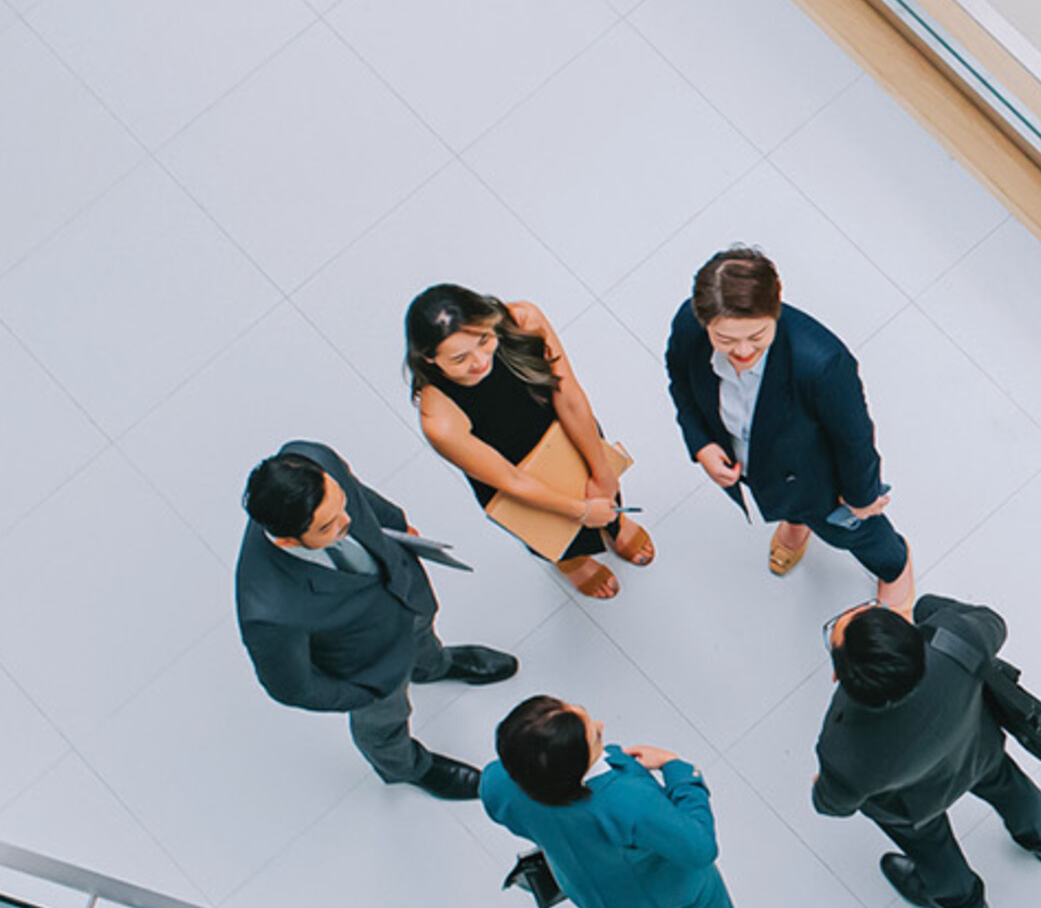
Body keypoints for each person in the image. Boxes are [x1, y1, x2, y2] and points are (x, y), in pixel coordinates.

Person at [236, 441, 518, 799]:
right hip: (366, 664)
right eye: (328, 527)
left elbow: (360, 495)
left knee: (424, 637)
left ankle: (432, 667)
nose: (347, 521)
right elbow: (292, 687)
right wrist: (362, 692)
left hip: (403, 593)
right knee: (383, 724)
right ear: (290, 541)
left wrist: (397, 525)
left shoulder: (311, 458)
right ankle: (408, 767)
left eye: (340, 505)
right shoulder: (268, 611)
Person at [664, 247, 914, 610]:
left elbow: (853, 438)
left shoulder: (821, 362)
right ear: (705, 323)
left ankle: (896, 568)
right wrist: (700, 442)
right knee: (784, 500)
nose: (743, 351)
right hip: (752, 460)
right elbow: (680, 380)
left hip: (815, 476)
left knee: (855, 532)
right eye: (726, 340)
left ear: (775, 310)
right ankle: (796, 523)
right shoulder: (689, 327)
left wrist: (861, 498)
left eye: (757, 335)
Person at [481, 696, 784, 908]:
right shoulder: (626, 800)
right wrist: (676, 768)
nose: (601, 725)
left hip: (588, 888)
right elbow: (700, 847)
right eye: (595, 736)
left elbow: (510, 815)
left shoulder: (496, 782)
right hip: (669, 884)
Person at [813, 596, 1041, 908]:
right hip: (977, 748)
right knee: (1008, 786)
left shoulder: (842, 748)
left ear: (838, 674)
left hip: (913, 805)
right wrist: (927, 612)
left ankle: (964, 902)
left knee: (931, 845)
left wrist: (822, 785)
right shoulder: (954, 639)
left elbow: (832, 804)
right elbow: (992, 622)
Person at [406, 284, 655, 600]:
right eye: (459, 358)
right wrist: (580, 510)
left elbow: (570, 398)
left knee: (603, 490)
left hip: (562, 432)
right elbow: (510, 481)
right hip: (511, 472)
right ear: (430, 360)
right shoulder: (438, 417)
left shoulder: (523, 320)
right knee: (551, 529)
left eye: (484, 339)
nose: (481, 360)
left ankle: (614, 522)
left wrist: (601, 473)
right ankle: (572, 562)